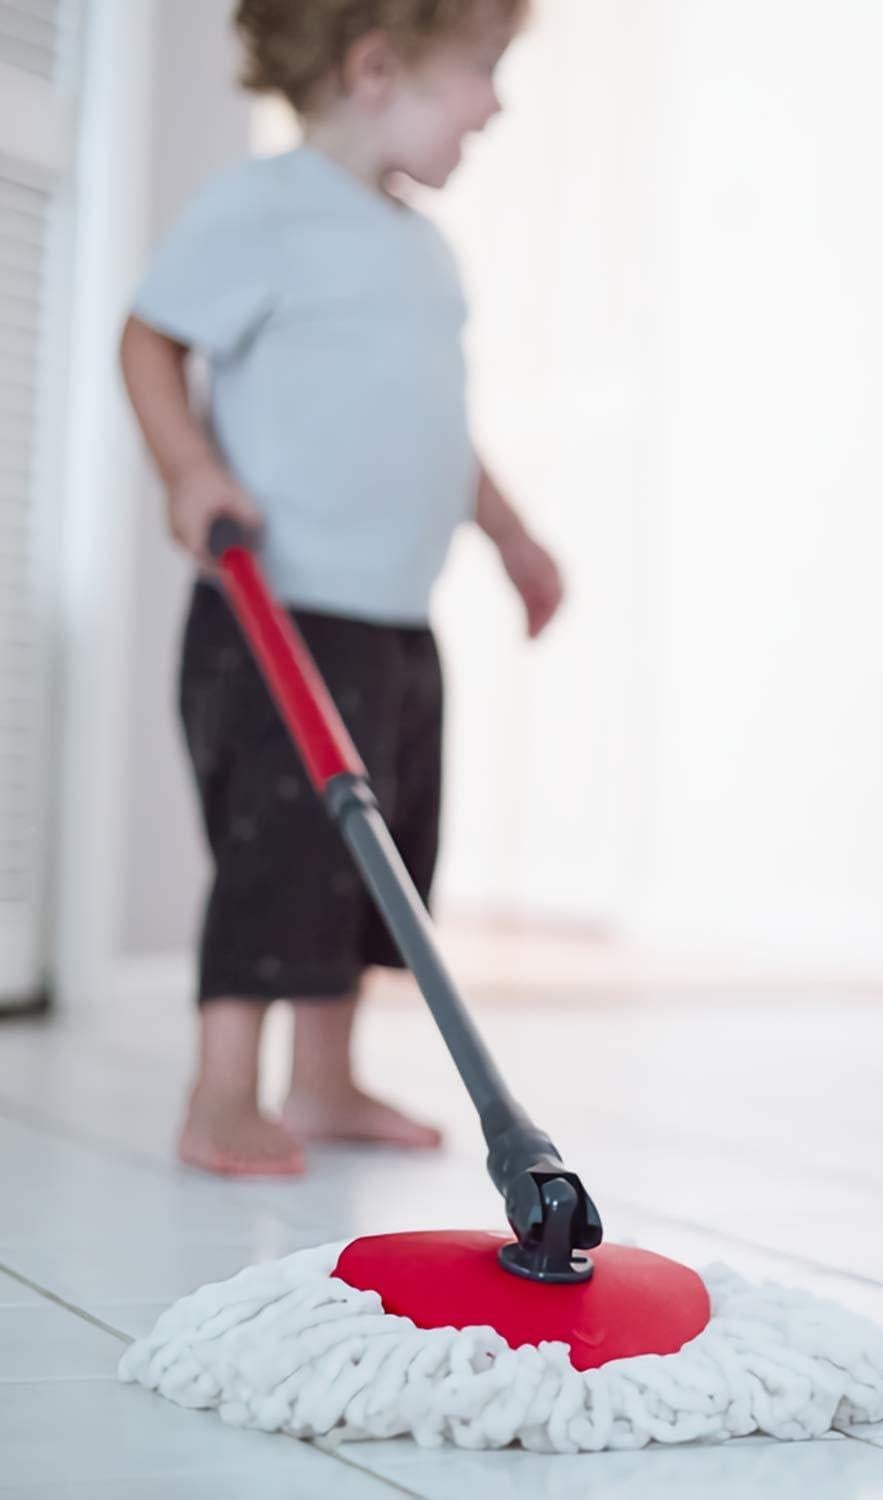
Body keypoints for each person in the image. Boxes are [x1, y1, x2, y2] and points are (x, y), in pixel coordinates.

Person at [119, 0, 562, 1177]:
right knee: (282, 853)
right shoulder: (264, 211)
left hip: (394, 620)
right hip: (279, 615)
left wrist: (510, 536)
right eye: (483, 71)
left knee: (384, 858)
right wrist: (192, 469)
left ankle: (323, 1082)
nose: (497, 103)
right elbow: (150, 340)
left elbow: (437, 428)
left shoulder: (423, 249)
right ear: (377, 69)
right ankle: (222, 1093)